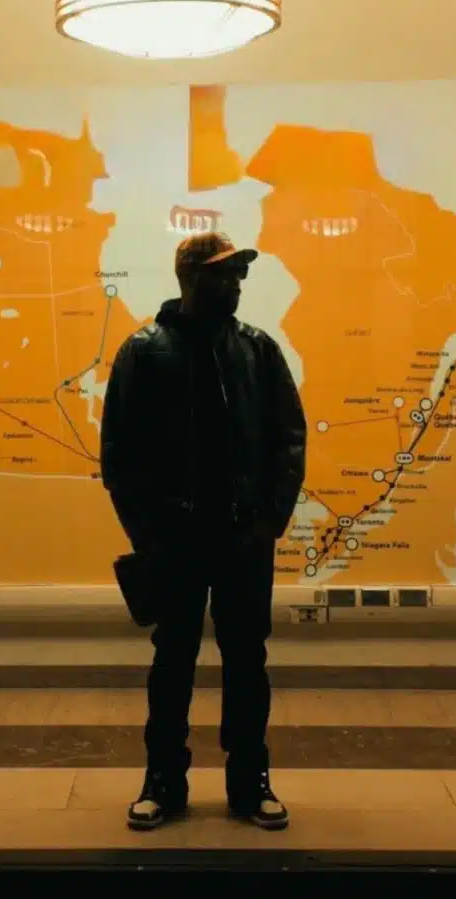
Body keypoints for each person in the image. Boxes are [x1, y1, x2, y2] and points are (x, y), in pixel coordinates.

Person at [100, 232, 307, 831]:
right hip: (174, 541)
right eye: (224, 274)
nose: (236, 284)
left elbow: (289, 438)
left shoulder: (258, 350)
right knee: (172, 662)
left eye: (239, 274)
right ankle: (163, 782)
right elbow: (119, 454)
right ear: (191, 279)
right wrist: (147, 535)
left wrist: (270, 521)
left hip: (245, 539)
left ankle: (250, 783)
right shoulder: (144, 351)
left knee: (248, 663)